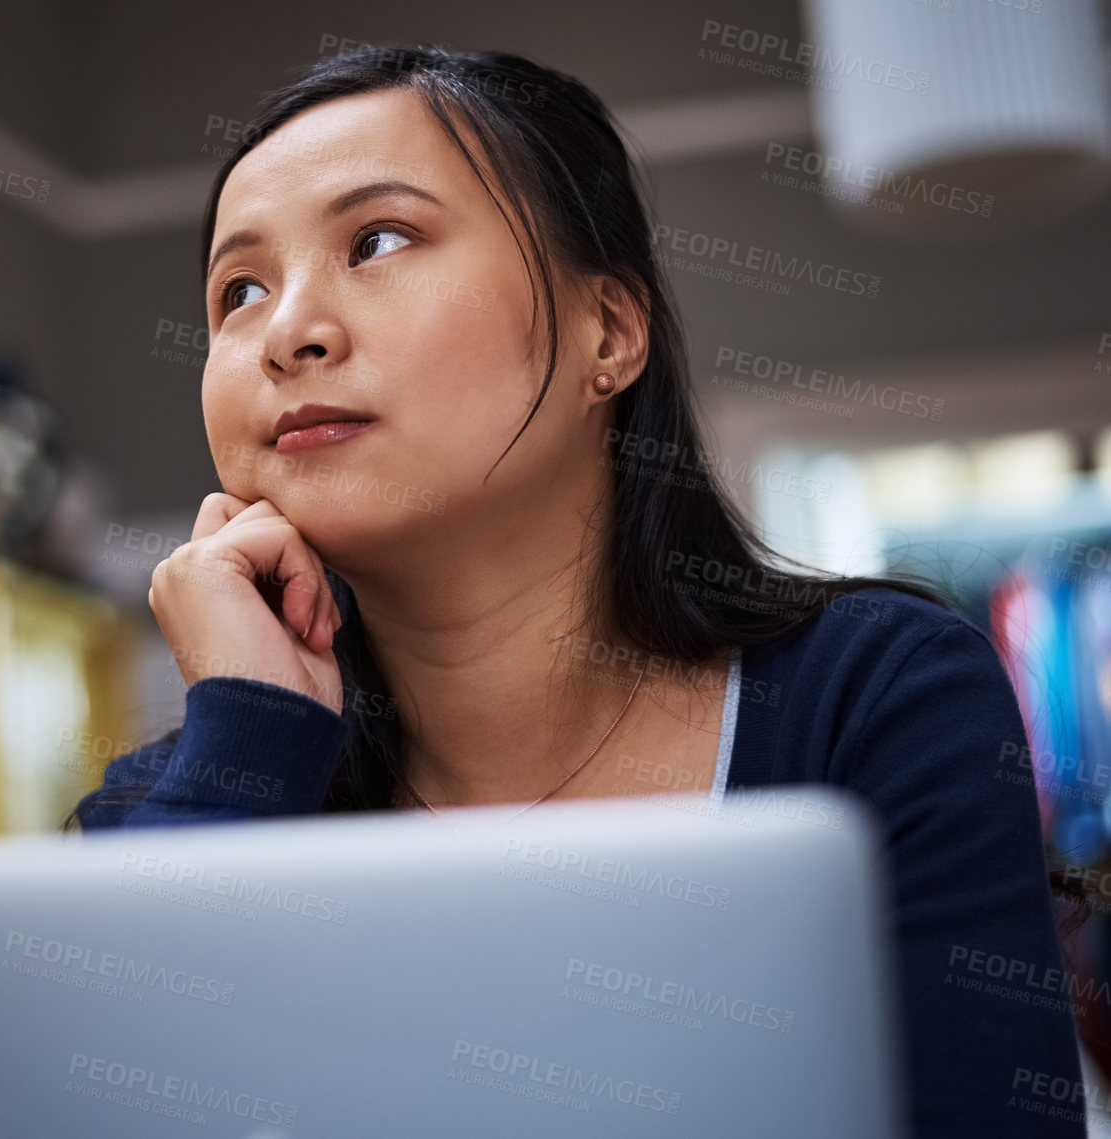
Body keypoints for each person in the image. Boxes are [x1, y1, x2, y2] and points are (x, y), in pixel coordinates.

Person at [66, 45, 1085, 1137]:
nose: (287, 333)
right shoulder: (171, 804)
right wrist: (252, 740)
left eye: (378, 240)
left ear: (609, 331)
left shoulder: (873, 699)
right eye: (240, 289)